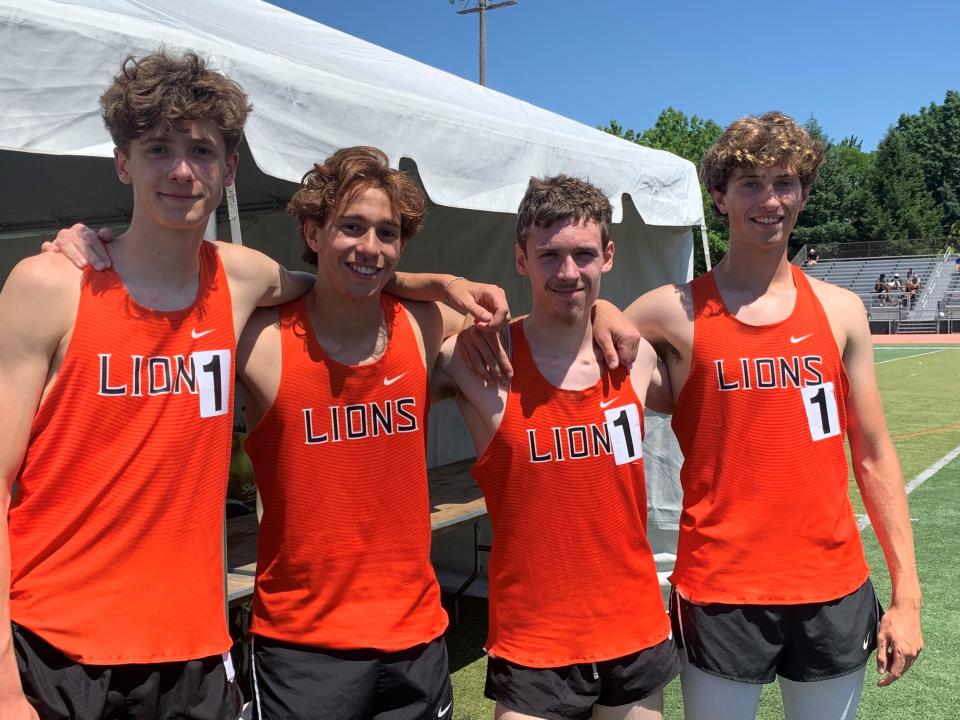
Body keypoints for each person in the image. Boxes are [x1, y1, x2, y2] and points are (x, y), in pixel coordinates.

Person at [2, 52, 508, 720]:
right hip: (60, 647)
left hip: (194, 650)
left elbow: (345, 280)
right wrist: (6, 686)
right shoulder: (50, 287)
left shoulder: (239, 280)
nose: (181, 170)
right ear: (122, 162)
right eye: (158, 148)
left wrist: (437, 283)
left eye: (202, 151)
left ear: (228, 169)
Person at [622, 112, 922, 720]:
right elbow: (589, 385)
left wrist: (907, 595)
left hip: (831, 586)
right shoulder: (666, 313)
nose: (769, 200)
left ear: (804, 194)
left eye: (784, 183)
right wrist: (604, 314)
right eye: (750, 184)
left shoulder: (841, 311)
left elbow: (872, 453)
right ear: (720, 197)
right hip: (719, 589)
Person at [435, 175, 679, 720]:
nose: (568, 273)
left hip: (633, 626)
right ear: (521, 259)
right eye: (550, 256)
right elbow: (372, 305)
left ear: (608, 257)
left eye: (584, 255)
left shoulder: (634, 357)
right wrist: (447, 284)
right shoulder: (480, 361)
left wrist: (606, 310)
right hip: (534, 638)